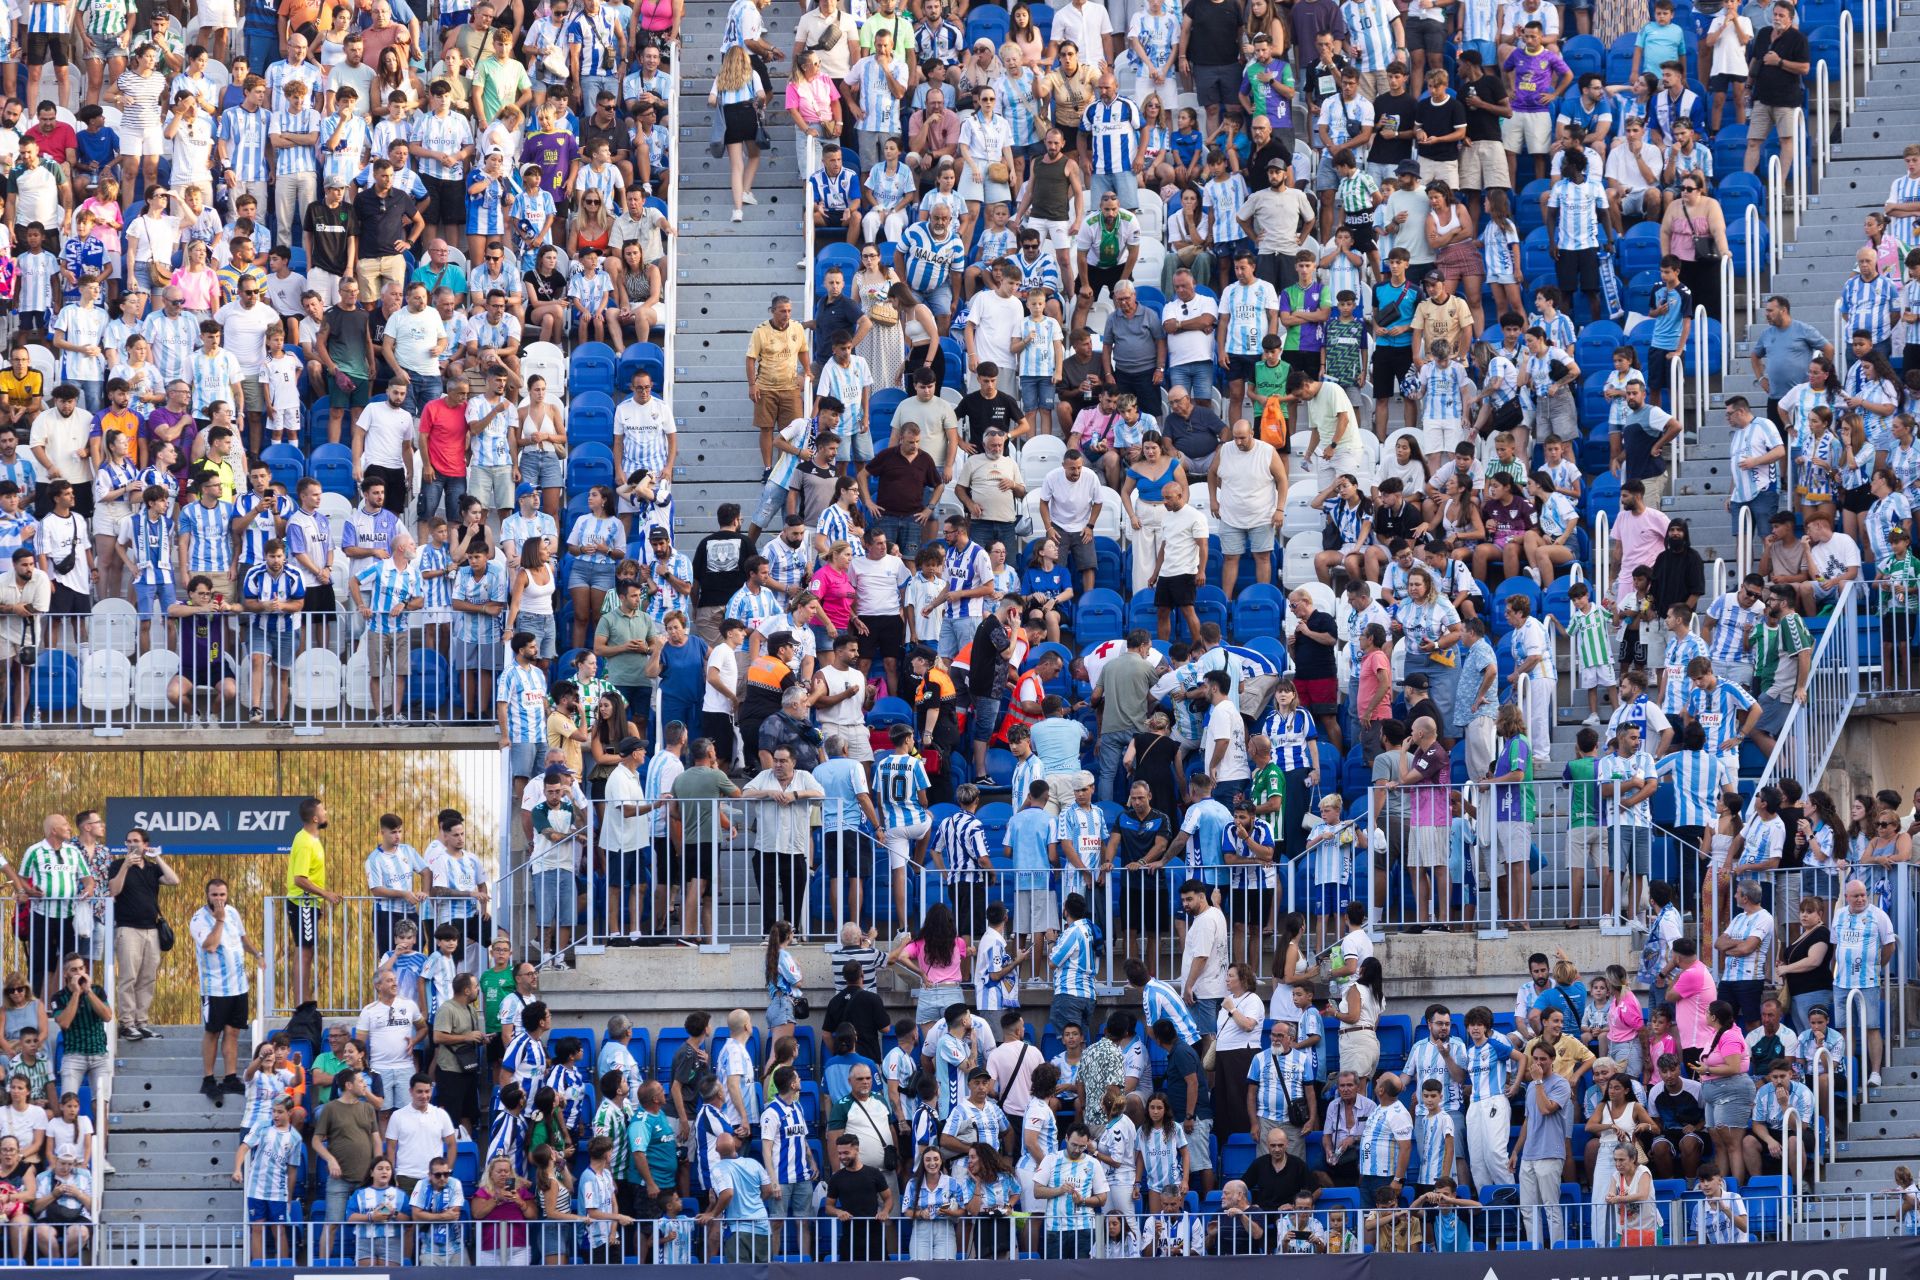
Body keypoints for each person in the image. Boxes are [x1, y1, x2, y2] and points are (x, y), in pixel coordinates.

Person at [190, 878, 259, 1108]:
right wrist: (219, 921)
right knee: (213, 1032)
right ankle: (208, 1078)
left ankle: (230, 1077)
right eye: (214, 895)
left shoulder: (233, 912)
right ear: (207, 895)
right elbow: (209, 945)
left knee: (233, 1032)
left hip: (238, 985)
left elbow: (241, 937)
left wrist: (257, 953)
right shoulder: (199, 919)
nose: (219, 899)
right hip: (215, 987)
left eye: (222, 895)